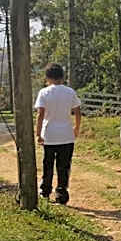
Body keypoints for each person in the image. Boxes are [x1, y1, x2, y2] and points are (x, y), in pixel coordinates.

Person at [34, 63, 81, 204]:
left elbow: (40, 114)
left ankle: (45, 191)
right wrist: (76, 128)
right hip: (66, 134)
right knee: (64, 166)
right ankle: (61, 193)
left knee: (48, 164)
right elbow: (77, 111)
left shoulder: (44, 92)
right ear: (62, 76)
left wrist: (38, 133)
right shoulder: (70, 92)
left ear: (47, 77)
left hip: (49, 134)